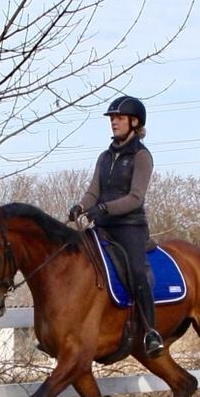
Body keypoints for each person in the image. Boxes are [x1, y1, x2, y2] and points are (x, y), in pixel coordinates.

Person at [68, 95, 165, 358]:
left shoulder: (142, 156)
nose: (114, 122)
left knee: (136, 271)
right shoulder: (105, 157)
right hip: (102, 225)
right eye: (112, 118)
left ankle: (150, 332)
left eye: (119, 118)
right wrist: (80, 207)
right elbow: (93, 191)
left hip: (129, 227)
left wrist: (104, 209)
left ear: (134, 122)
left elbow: (136, 198)